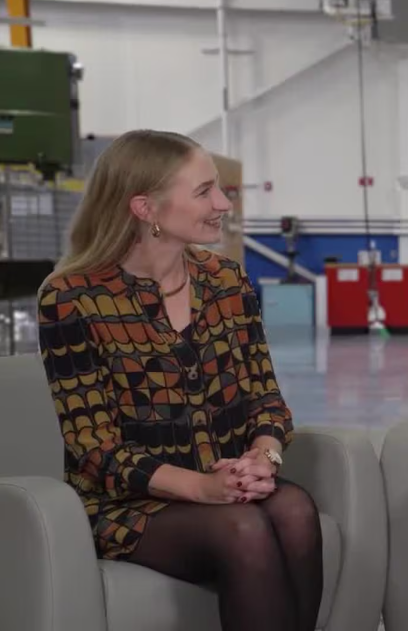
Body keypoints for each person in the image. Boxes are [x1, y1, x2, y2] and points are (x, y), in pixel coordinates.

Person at [36, 130, 323, 631]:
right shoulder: (70, 298)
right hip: (128, 502)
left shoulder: (227, 280)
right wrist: (203, 488)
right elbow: (94, 445)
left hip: (223, 480)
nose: (223, 204)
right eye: (204, 191)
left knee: (296, 510)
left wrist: (263, 457)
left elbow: (266, 399)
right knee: (242, 528)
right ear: (145, 208)